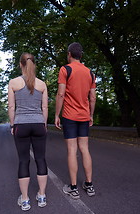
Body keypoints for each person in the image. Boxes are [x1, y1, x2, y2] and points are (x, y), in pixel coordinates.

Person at [55, 42, 97, 199]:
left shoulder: (65, 69)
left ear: (69, 54)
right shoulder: (90, 73)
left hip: (69, 116)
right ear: (81, 55)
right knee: (84, 149)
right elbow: (92, 97)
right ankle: (89, 184)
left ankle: (73, 188)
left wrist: (57, 115)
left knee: (72, 150)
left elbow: (60, 94)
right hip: (84, 116)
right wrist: (91, 115)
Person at [8, 52, 48, 211]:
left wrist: (13, 125)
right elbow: (44, 107)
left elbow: (11, 107)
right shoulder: (42, 84)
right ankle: (42, 196)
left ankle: (25, 200)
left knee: (24, 160)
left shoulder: (13, 83)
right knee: (41, 159)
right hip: (38, 124)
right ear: (34, 64)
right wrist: (43, 124)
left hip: (21, 125)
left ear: (20, 64)